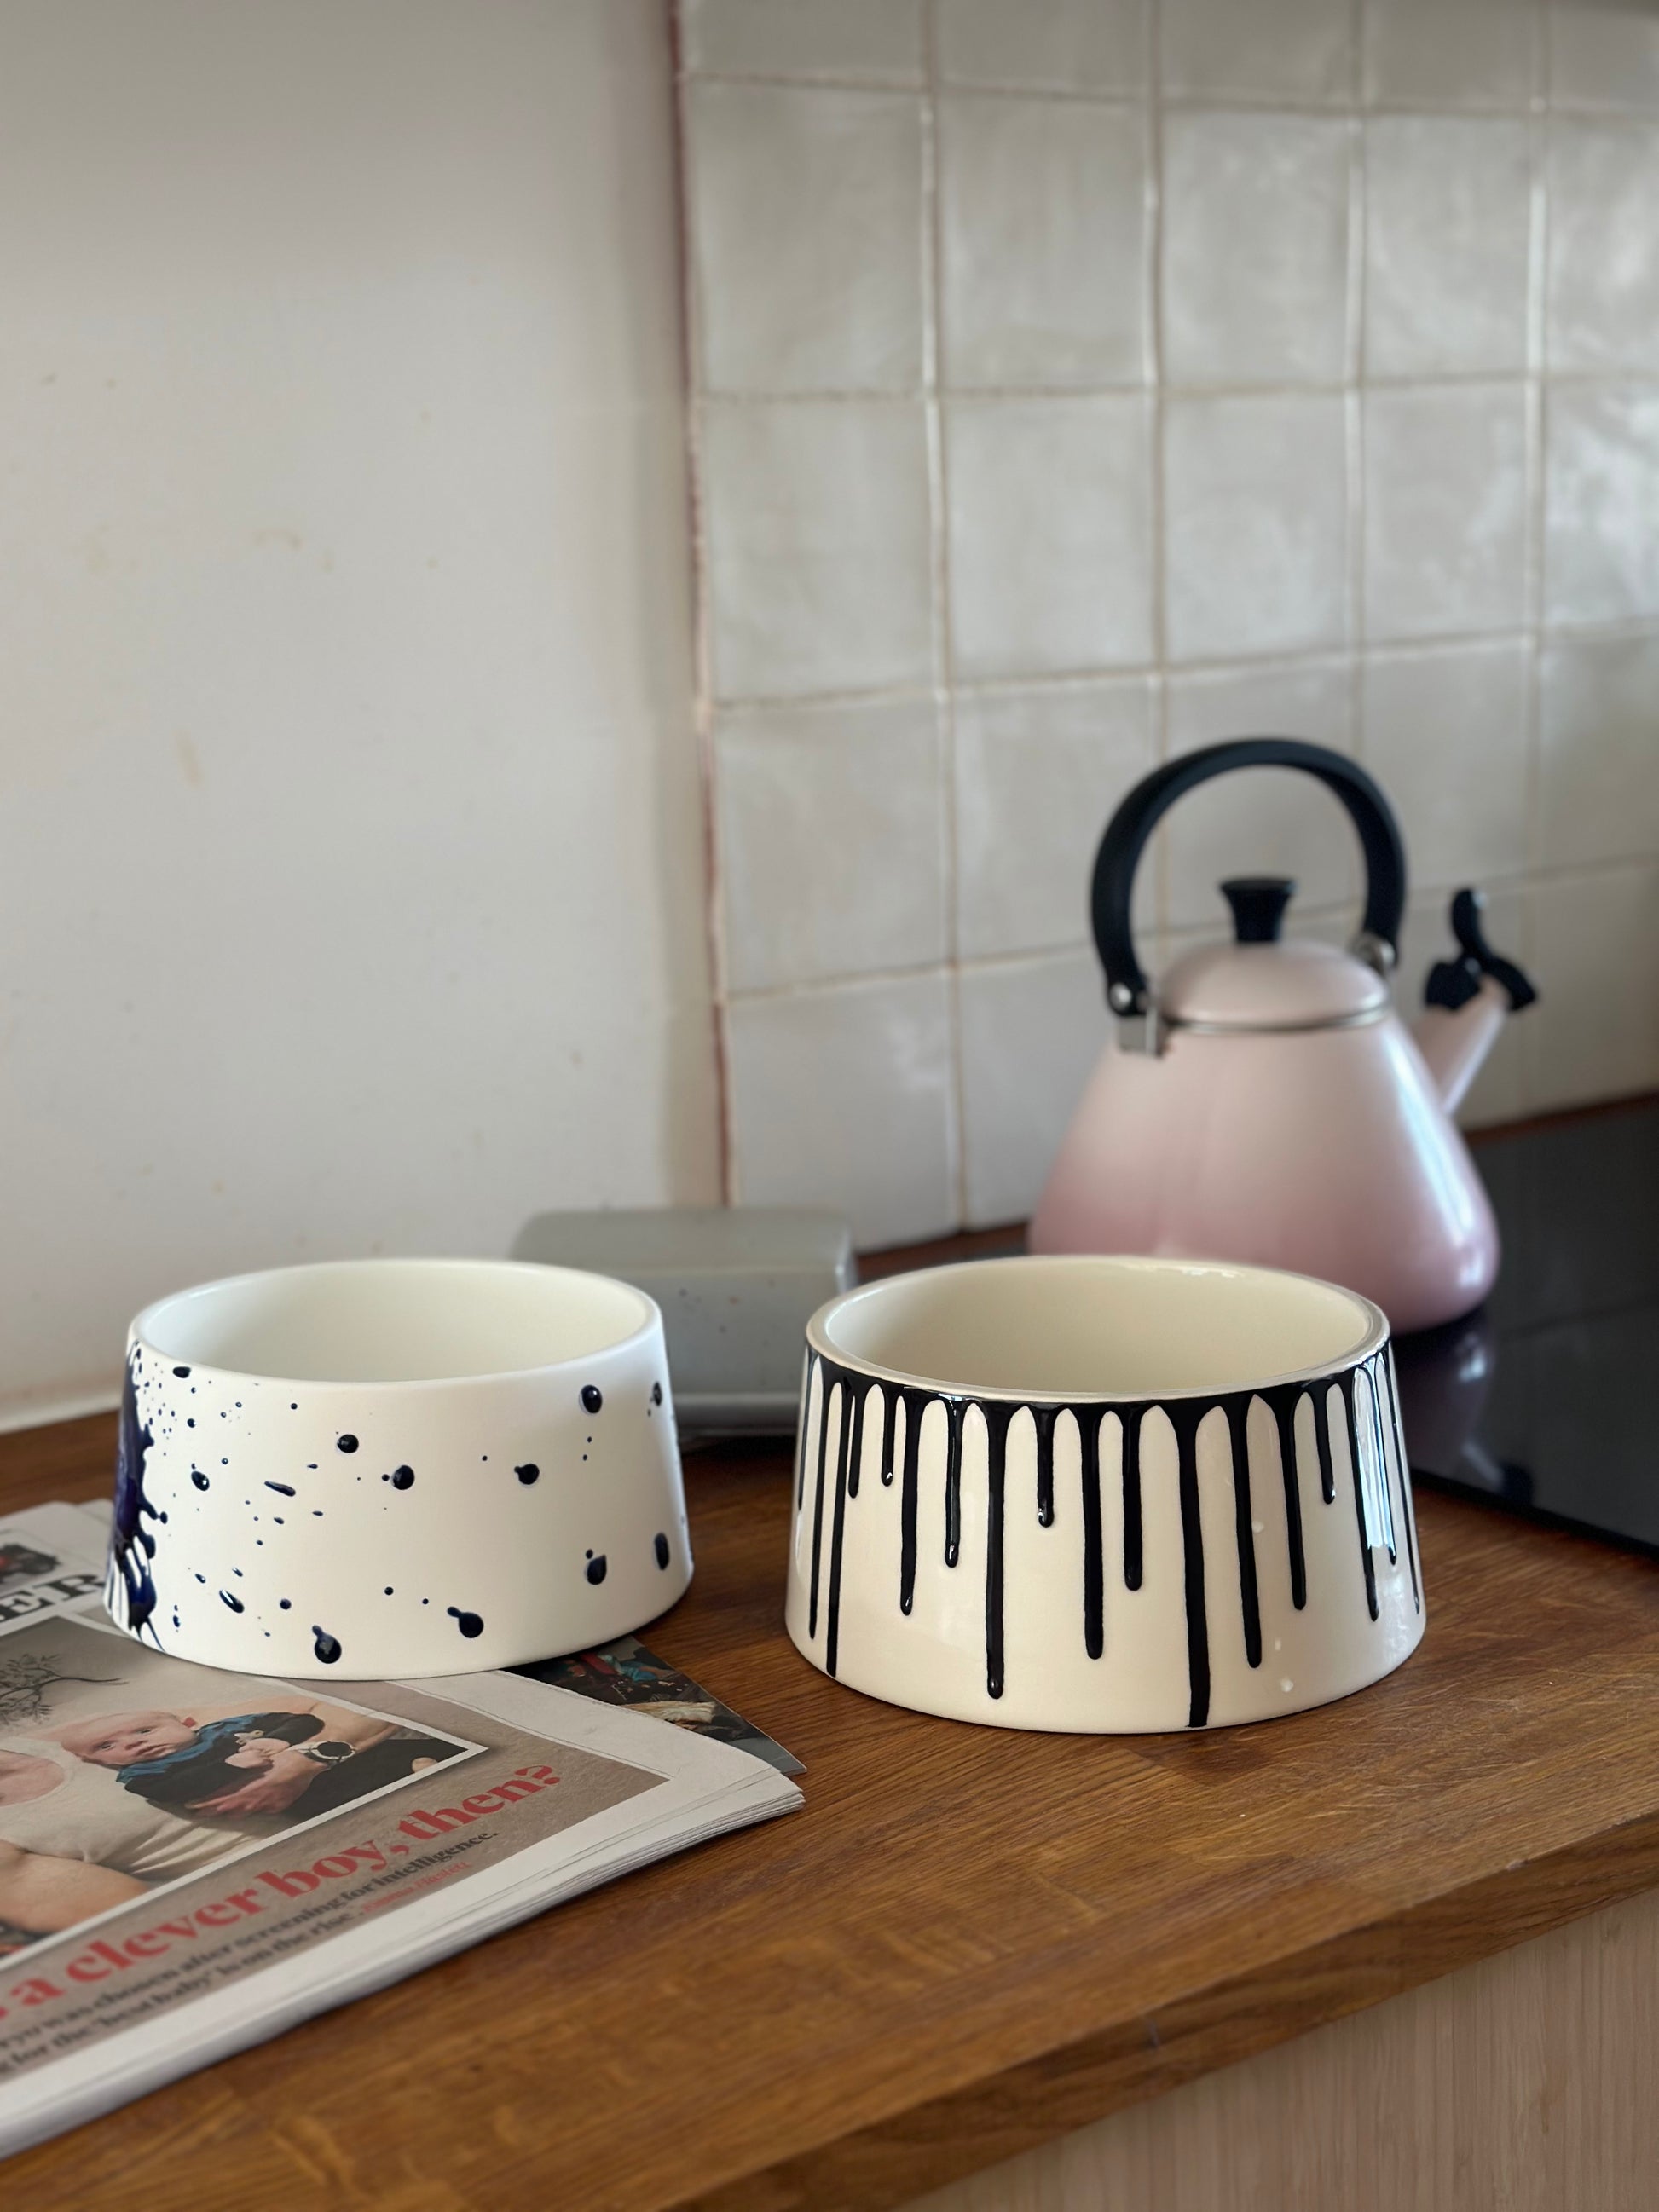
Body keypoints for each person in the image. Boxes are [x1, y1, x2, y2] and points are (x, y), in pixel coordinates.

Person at [57, 1707, 454, 1821]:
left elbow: (303, 1721)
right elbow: (167, 1789)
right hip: (301, 1796)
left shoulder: (227, 1727)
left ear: (182, 1722)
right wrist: (232, 1765)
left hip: (324, 1758)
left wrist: (279, 1738)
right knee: (332, 1797)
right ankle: (417, 1774)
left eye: (144, 1731)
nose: (134, 1746)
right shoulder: (142, 1774)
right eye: (108, 1746)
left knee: (375, 1754)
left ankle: (423, 1762)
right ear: (90, 1760)